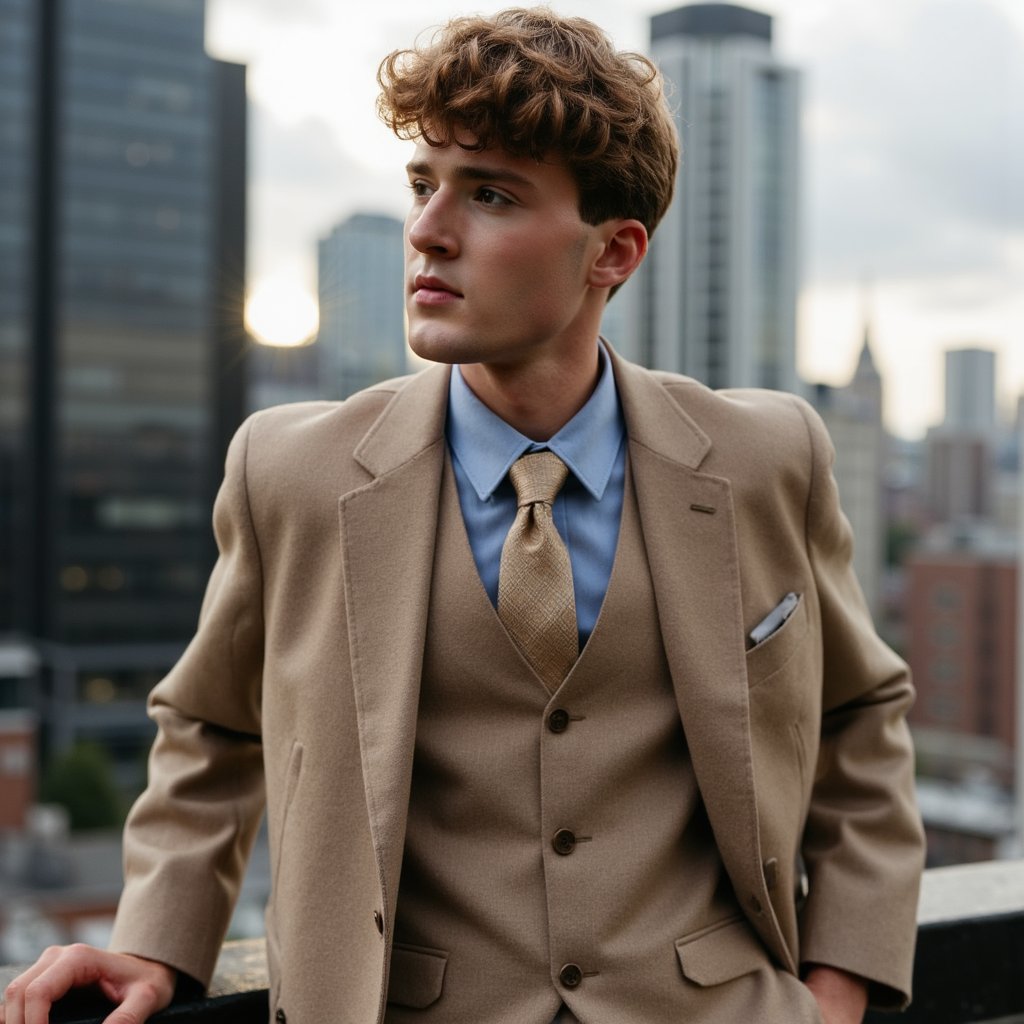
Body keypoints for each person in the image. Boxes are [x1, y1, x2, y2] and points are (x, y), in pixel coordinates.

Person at [1, 9, 925, 1024]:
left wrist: (839, 990)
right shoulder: (292, 470)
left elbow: (857, 716)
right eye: (421, 184)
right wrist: (154, 942)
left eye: (488, 194)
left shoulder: (765, 456)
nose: (428, 229)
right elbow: (213, 728)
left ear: (612, 252)